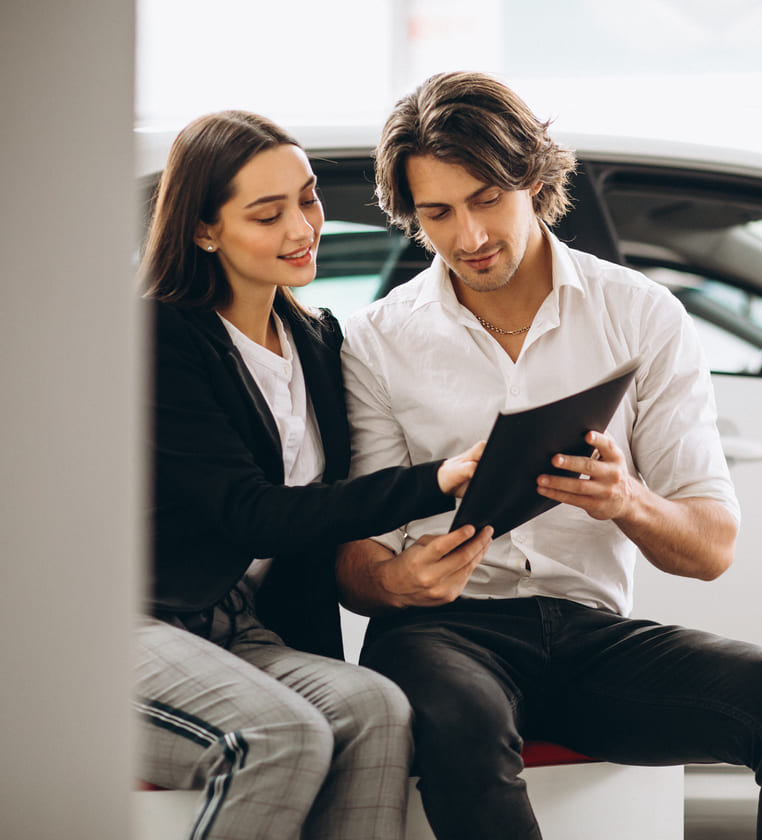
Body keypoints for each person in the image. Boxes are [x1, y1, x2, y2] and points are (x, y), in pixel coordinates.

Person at [336, 72, 762, 840]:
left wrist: (626, 500)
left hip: (588, 634)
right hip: (442, 634)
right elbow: (355, 563)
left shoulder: (641, 316)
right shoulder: (377, 341)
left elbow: (712, 548)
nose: (469, 238)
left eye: (486, 199)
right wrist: (397, 580)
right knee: (462, 724)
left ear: (534, 180)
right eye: (437, 213)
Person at [134, 110, 492, 840]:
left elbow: (329, 516)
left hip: (244, 630)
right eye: (268, 214)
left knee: (378, 709)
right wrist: (434, 480)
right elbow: (253, 512)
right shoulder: (160, 336)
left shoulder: (319, 339)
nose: (303, 227)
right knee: (280, 735)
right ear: (204, 231)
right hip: (133, 625)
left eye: (308, 198)